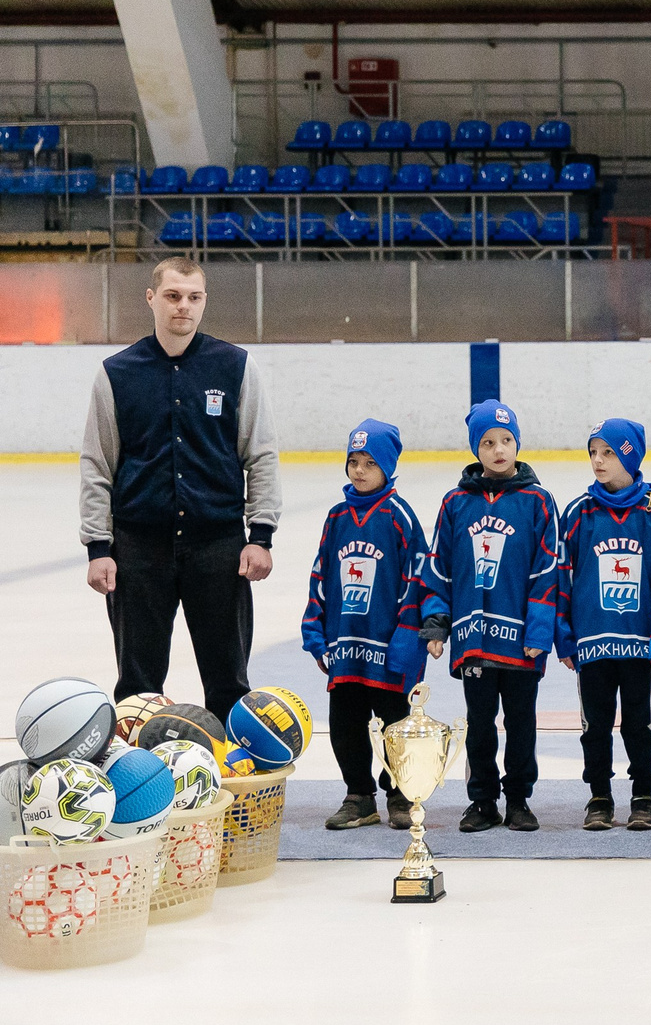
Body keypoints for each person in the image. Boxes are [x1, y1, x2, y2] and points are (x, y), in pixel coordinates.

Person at [80, 255, 281, 719]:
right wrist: (98, 547)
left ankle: (231, 761)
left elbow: (261, 455)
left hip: (219, 547)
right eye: (172, 296)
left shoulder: (235, 367)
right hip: (138, 549)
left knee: (229, 680)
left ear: (204, 301)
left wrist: (261, 536)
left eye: (193, 297)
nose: (183, 306)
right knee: (138, 688)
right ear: (151, 298)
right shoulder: (117, 373)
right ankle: (139, 764)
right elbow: (97, 465)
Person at [421, 400, 562, 834]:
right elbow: (439, 567)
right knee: (479, 724)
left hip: (520, 641)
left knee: (521, 723)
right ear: (475, 448)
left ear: (517, 444)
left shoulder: (538, 501)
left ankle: (518, 799)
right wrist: (437, 623)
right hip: (474, 639)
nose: (498, 450)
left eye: (506, 440)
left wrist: (538, 631)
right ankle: (482, 800)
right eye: (487, 443)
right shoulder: (455, 503)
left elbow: (547, 570)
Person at [301, 419, 428, 832]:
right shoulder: (337, 516)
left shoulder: (399, 517)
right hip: (345, 644)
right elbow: (320, 575)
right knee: (344, 723)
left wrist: (409, 636)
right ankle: (358, 795)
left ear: (387, 467)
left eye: (370, 463)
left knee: (395, 724)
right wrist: (314, 629)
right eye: (353, 461)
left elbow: (418, 578)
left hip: (387, 648)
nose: (359, 470)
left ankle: (400, 792)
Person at [556, 417, 651, 832]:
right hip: (592, 640)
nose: (598, 460)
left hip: (639, 642)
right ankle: (599, 796)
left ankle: (644, 794)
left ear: (630, 456)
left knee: (640, 723)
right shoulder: (579, 512)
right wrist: (564, 636)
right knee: (595, 724)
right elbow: (562, 577)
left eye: (608, 452)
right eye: (593, 452)